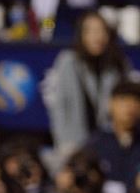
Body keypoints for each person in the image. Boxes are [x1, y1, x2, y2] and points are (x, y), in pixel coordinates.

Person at [44, 12, 130, 160]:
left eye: (102, 31)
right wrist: (64, 143)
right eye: (91, 31)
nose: (98, 37)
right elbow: (59, 107)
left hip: (109, 144)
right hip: (74, 144)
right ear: (82, 35)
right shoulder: (68, 60)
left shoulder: (118, 63)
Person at [84, 79, 140, 193]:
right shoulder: (96, 142)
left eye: (135, 101)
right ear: (111, 104)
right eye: (124, 100)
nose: (130, 107)